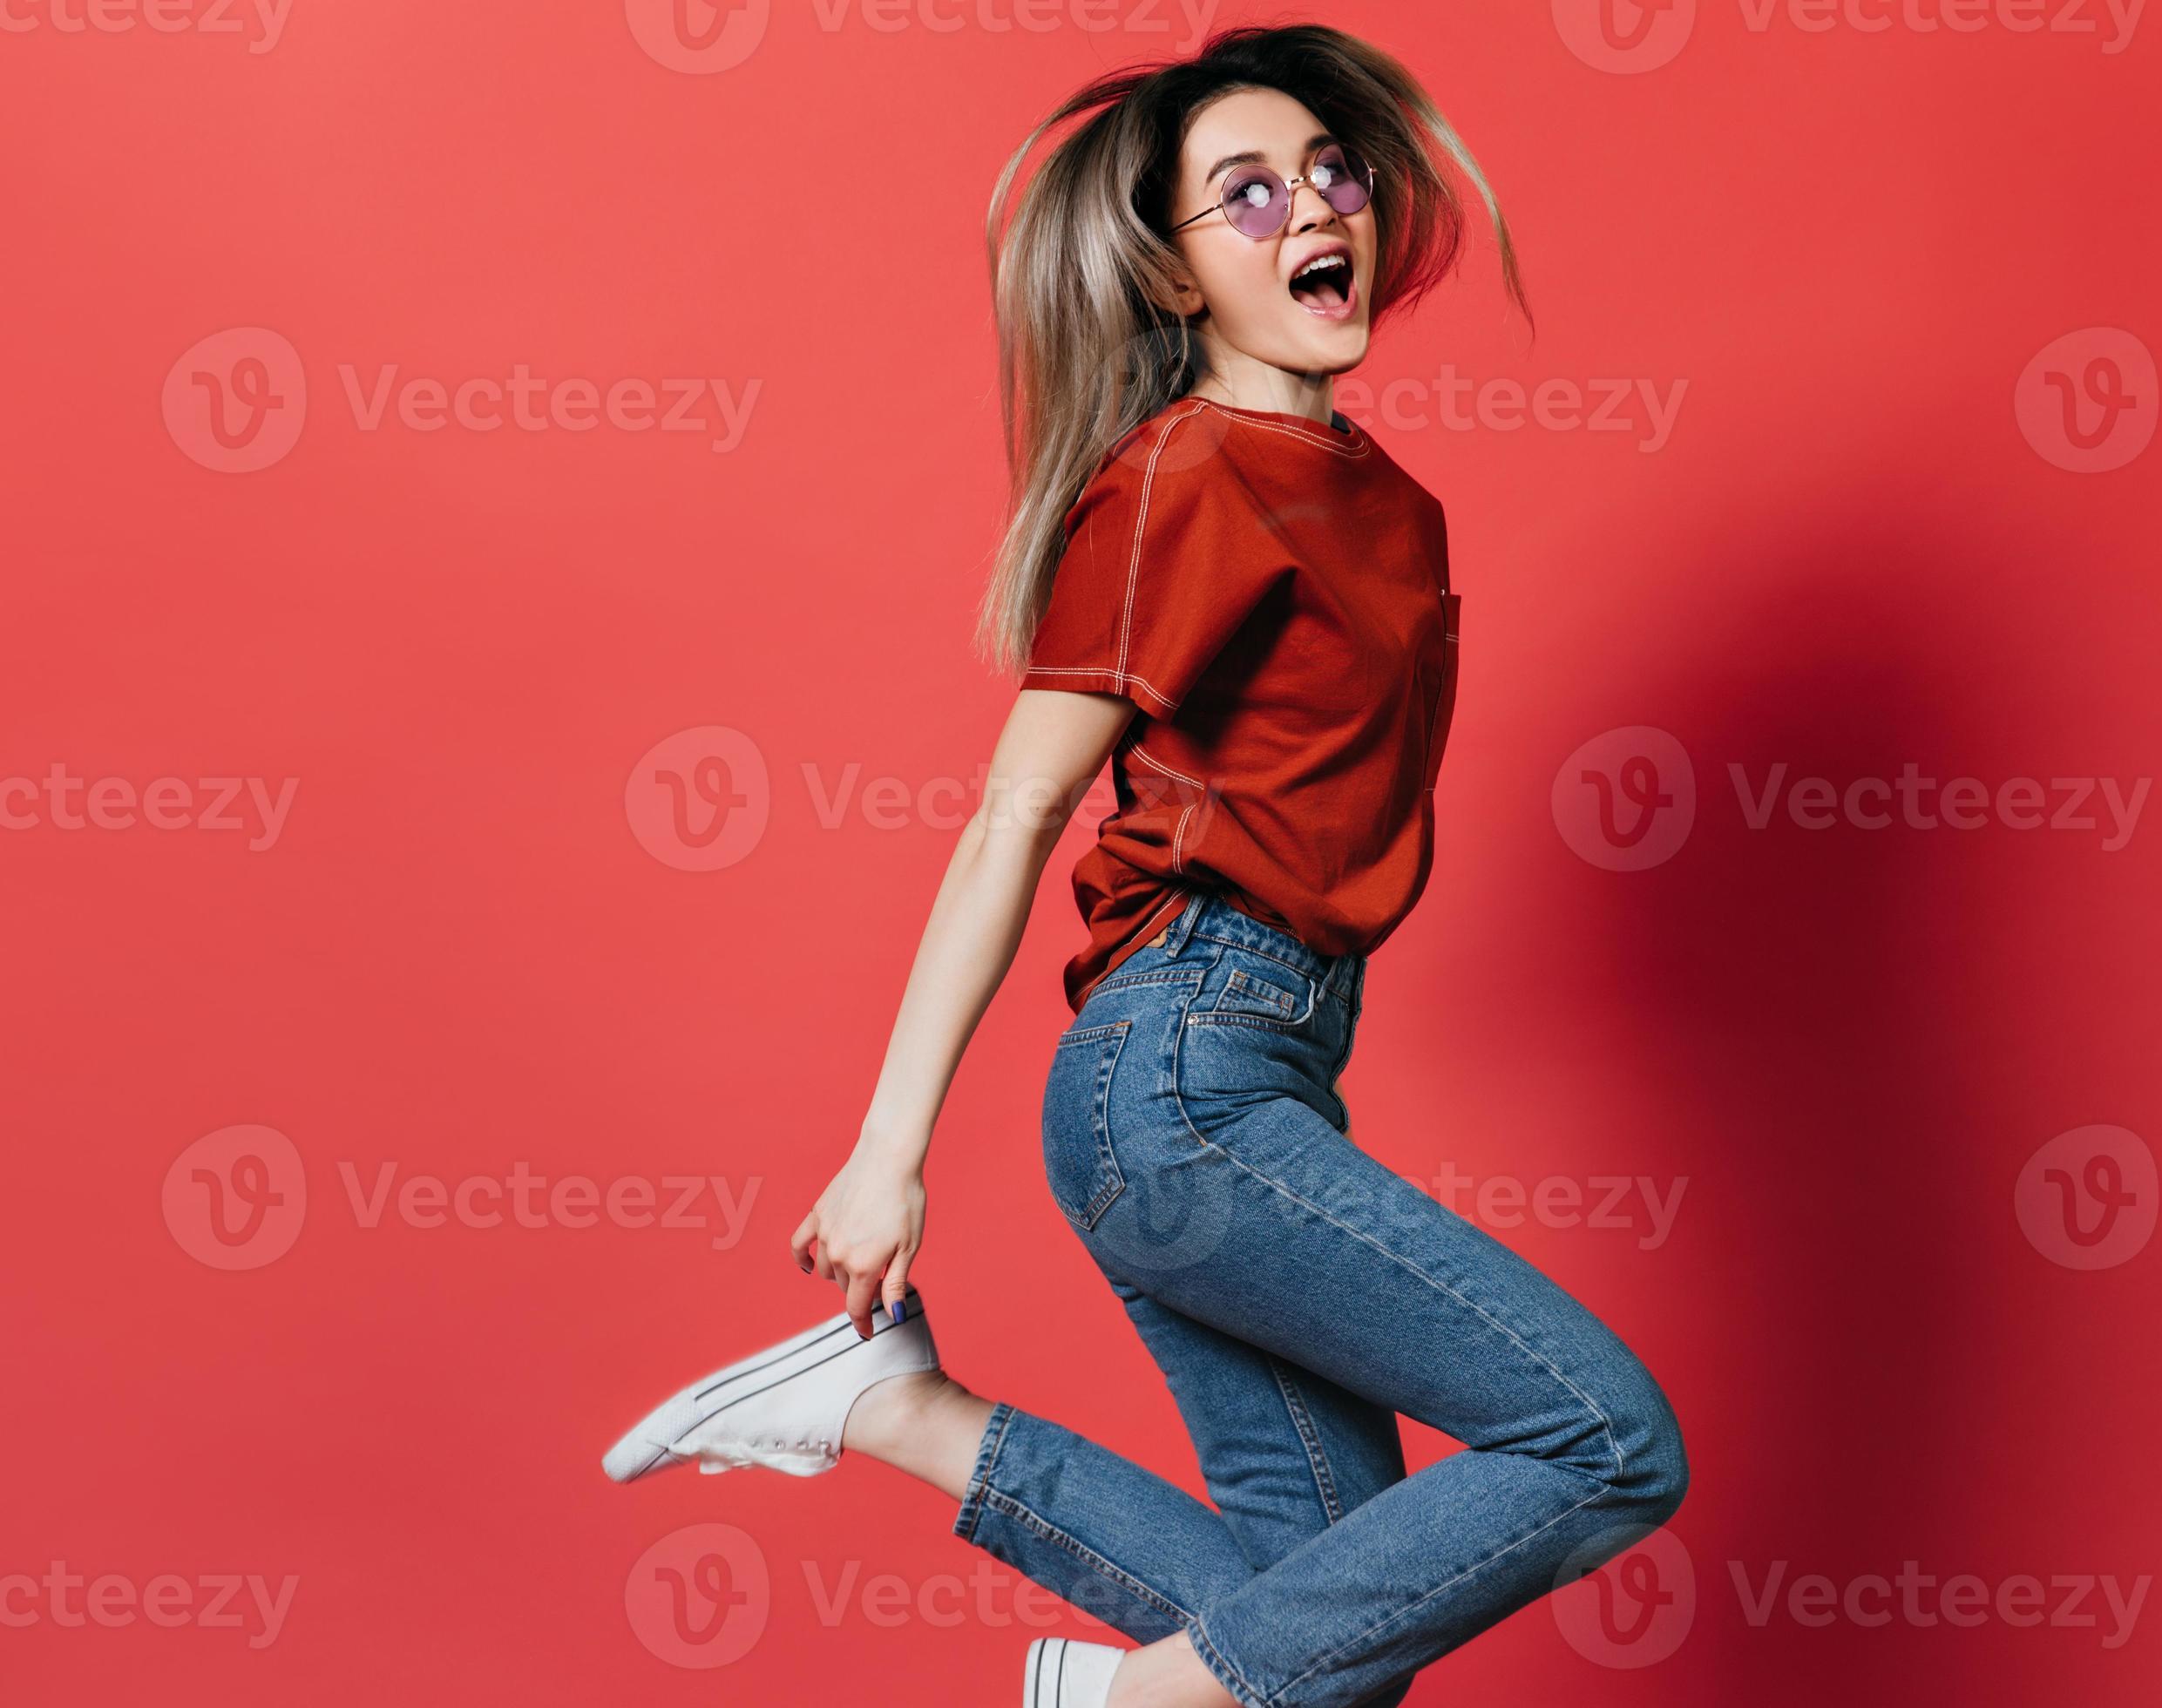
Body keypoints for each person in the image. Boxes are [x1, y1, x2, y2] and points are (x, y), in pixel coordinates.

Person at [604, 26, 1688, 1708]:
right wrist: (889, 1153)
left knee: (1324, 1637)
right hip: (1177, 1076)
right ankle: (1109, 1704)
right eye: (1241, 194)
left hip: (1274, 1061)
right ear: (1174, 279)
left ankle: (898, 1415)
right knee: (1607, 1439)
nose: (1308, 208)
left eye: (1329, 172)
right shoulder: (1191, 474)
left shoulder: (1392, 505)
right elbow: (1015, 816)